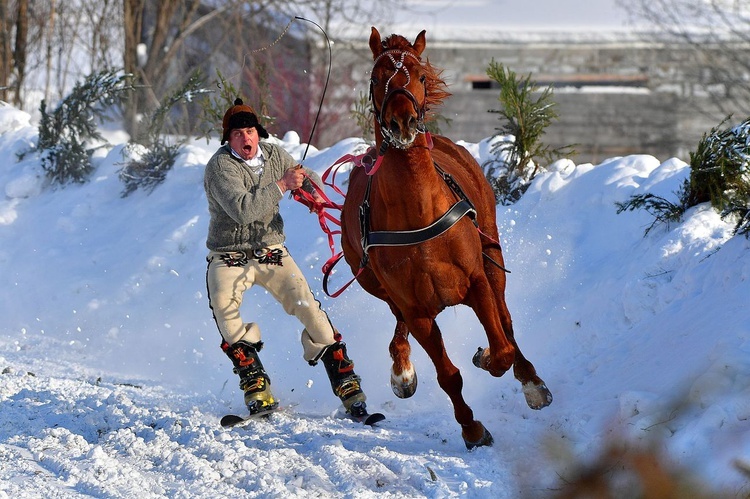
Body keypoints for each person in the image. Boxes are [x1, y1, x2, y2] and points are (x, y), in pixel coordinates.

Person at [204, 98, 368, 417]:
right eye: (238, 134)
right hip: (228, 254)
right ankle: (255, 383)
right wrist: (282, 185)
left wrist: (310, 188)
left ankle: (347, 384)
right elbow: (243, 211)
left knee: (308, 306)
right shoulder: (220, 167)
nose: (245, 138)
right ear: (228, 139)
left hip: (270, 251)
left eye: (250, 131)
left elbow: (303, 177)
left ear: (258, 133)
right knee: (224, 310)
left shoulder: (276, 156)